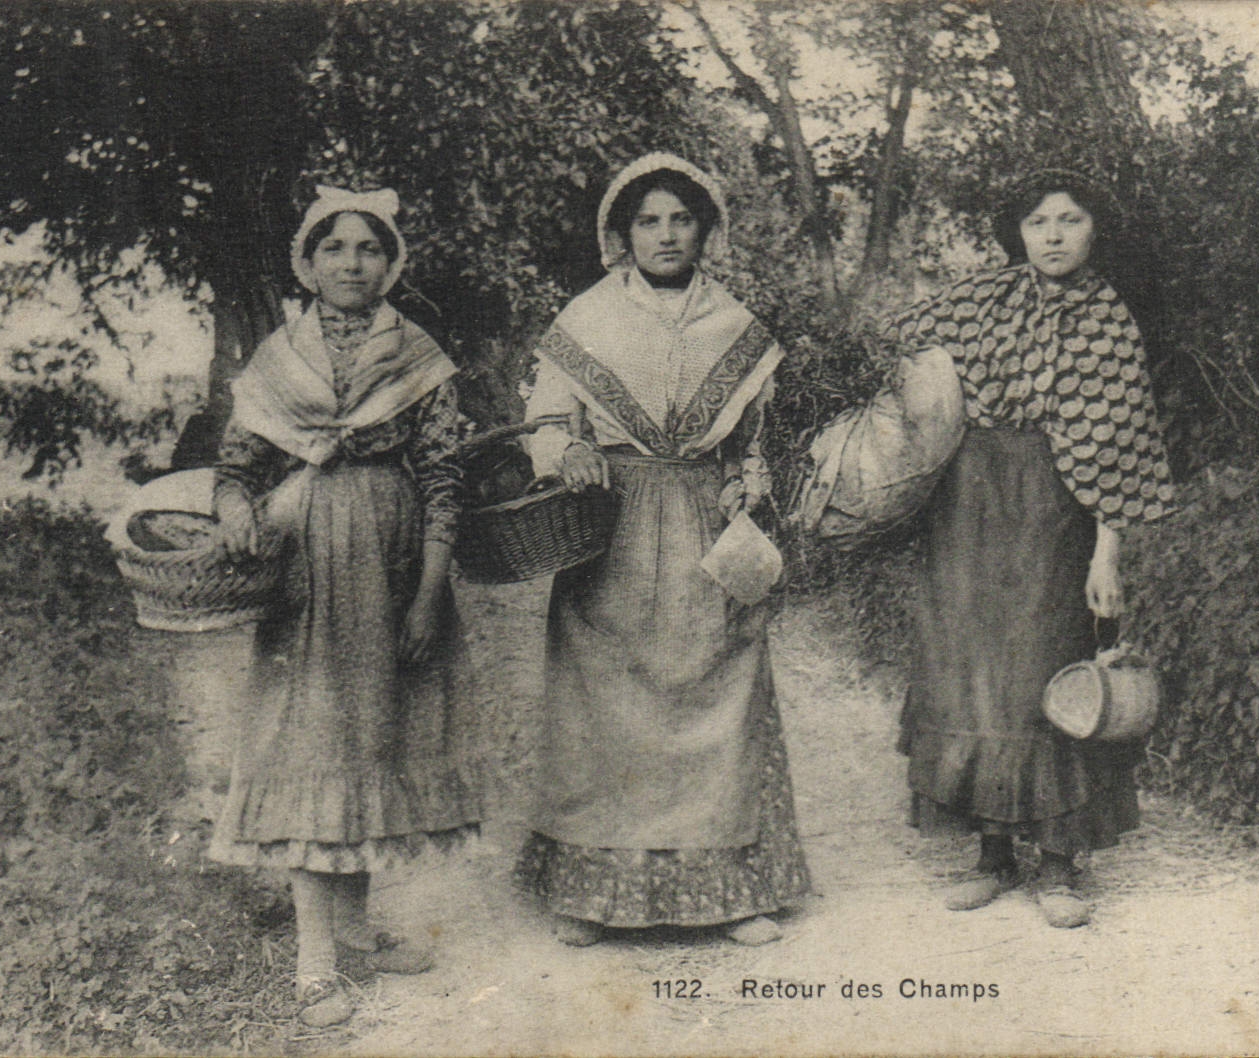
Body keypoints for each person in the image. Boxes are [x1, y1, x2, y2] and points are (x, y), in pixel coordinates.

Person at [512, 153, 813, 947]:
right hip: (608, 525)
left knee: (718, 690)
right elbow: (547, 421)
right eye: (648, 221)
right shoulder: (587, 319)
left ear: (706, 230)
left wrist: (747, 483)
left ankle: (729, 892)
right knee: (604, 704)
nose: (666, 234)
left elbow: (753, 440)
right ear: (624, 233)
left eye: (682, 218)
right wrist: (568, 453)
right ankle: (594, 893)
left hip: (705, 522)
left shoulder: (736, 325)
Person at [208, 186, 483, 1026]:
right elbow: (236, 468)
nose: (352, 263)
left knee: (369, 739)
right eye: (335, 248)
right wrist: (233, 509)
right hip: (303, 568)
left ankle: (358, 932)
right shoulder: (278, 357)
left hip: (391, 564)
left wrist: (429, 594)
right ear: (309, 261)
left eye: (369, 248)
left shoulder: (418, 354)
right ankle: (315, 963)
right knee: (310, 745)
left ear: (390, 262)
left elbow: (444, 479)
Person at [893, 169, 1175, 928]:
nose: (1053, 235)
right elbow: (897, 347)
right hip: (966, 512)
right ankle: (992, 856)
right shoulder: (979, 300)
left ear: (1095, 230)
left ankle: (1057, 864)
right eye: (1038, 221)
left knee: (1047, 675)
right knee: (974, 680)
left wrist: (1106, 555)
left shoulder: (1108, 323)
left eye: (1070, 219)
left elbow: (1122, 453)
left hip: (1056, 517)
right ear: (1016, 232)